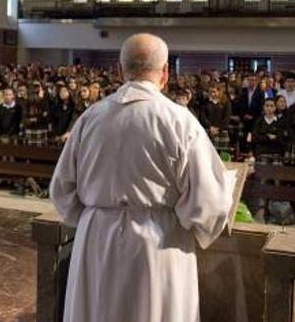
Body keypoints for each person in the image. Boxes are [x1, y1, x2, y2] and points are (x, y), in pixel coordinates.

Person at [50, 33, 235, 322]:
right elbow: (208, 201)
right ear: (165, 73)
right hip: (157, 242)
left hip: (96, 237)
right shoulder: (179, 120)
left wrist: (95, 215)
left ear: (119, 70)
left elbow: (62, 189)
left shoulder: (90, 117)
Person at [199, 85, 232, 155]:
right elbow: (202, 116)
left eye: (214, 92)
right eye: (210, 92)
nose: (212, 93)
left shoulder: (226, 102)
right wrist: (210, 127)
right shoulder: (205, 102)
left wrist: (218, 128)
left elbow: (227, 117)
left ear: (219, 92)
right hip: (208, 130)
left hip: (221, 131)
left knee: (219, 154)